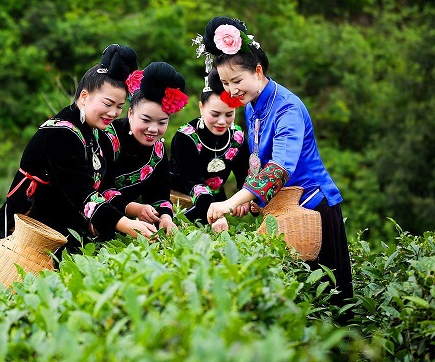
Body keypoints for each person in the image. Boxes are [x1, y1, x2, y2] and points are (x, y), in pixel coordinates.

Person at [203, 16, 353, 310]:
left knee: (327, 306)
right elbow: (258, 162)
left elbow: (279, 169)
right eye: (224, 83)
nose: (231, 90)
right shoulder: (251, 106)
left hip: (311, 206)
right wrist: (251, 200)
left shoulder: (288, 107)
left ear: (257, 71)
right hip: (281, 206)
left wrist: (231, 201)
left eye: (236, 81)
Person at [0, 44, 157, 252]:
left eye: (119, 107)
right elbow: (81, 193)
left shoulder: (100, 134)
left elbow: (104, 188)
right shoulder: (59, 134)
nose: (113, 112)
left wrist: (134, 209)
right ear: (85, 96)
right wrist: (126, 224)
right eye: (107, 103)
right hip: (24, 233)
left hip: (64, 233)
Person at [101, 62, 189, 234]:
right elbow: (97, 189)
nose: (153, 129)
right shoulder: (106, 137)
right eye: (146, 120)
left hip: (127, 228)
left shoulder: (157, 152)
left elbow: (160, 195)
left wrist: (165, 217)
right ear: (131, 113)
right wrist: (135, 209)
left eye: (162, 122)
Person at [169, 68, 250, 232]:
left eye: (229, 114)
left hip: (216, 206)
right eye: (215, 114)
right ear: (201, 107)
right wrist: (217, 215)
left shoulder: (237, 137)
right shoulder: (185, 137)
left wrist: (244, 200)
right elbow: (194, 183)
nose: (222, 122)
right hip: (178, 204)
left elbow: (245, 177)